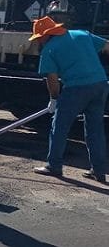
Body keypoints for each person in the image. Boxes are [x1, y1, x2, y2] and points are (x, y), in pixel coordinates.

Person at [28, 16, 107, 183]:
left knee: (60, 126)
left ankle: (53, 166)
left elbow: (52, 80)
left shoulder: (49, 50)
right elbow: (107, 46)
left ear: (46, 35)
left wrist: (54, 99)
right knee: (95, 129)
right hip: (100, 85)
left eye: (39, 38)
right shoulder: (82, 34)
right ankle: (99, 171)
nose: (39, 41)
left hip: (76, 89)